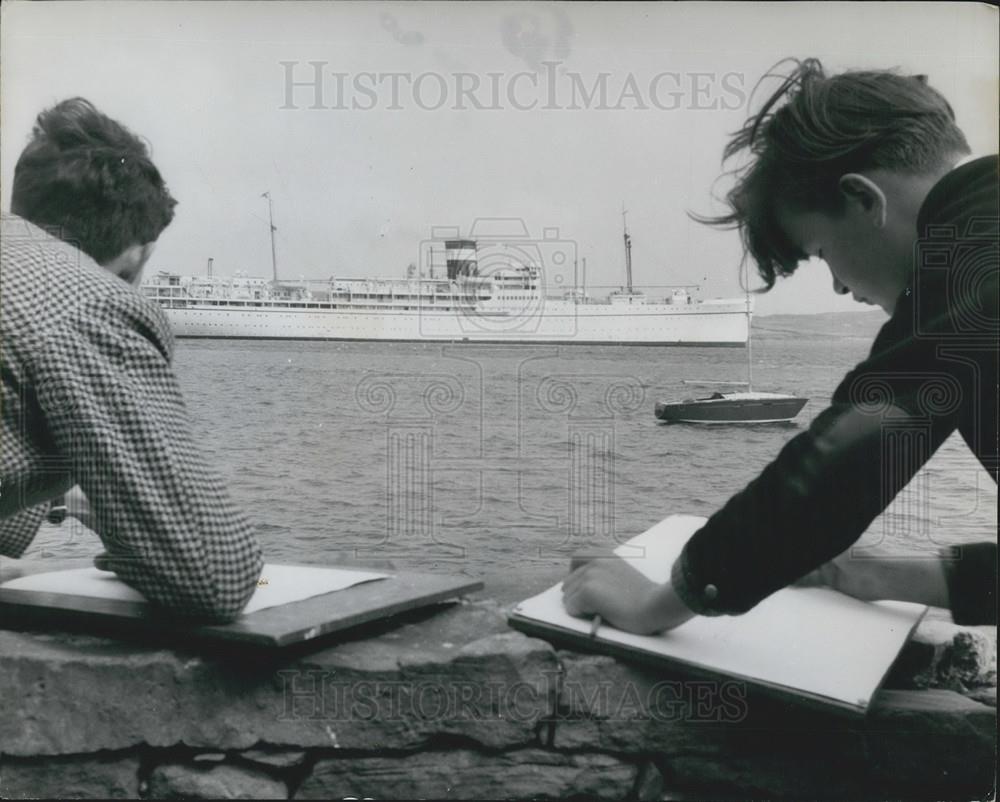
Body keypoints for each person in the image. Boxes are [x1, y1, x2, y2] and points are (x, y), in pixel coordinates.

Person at [563, 59, 997, 632]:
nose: (841, 286)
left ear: (864, 200)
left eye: (820, 251)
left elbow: (836, 467)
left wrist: (657, 604)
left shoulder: (972, 252)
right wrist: (879, 574)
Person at [1, 98, 263, 621]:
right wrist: (137, 526)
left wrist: (71, 496)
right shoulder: (90, 299)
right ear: (135, 254)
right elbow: (216, 576)